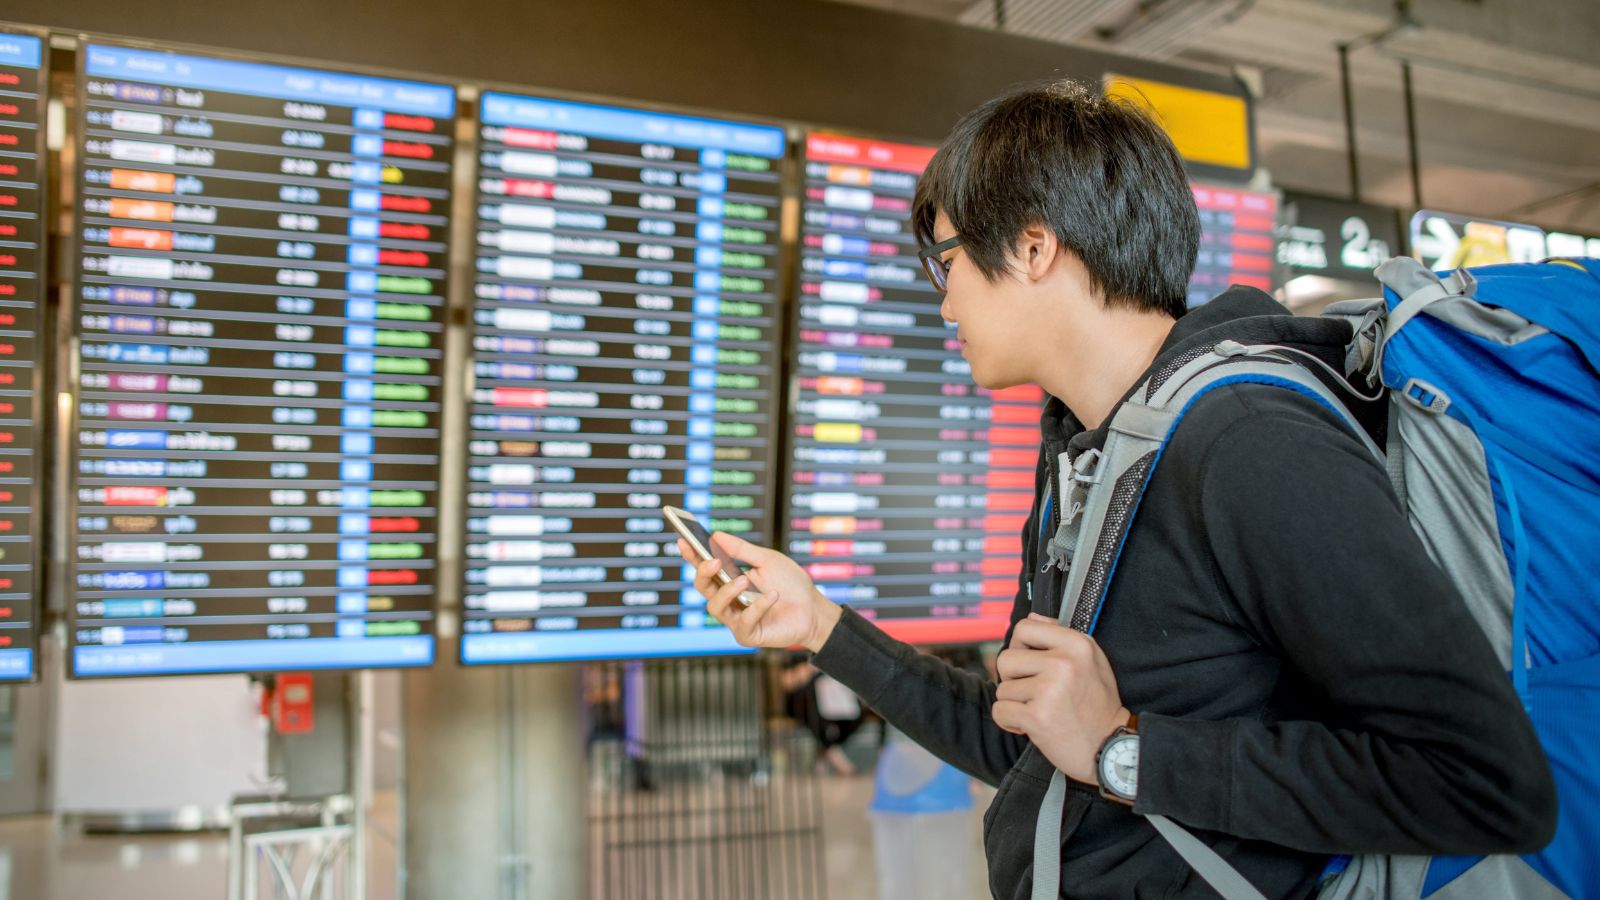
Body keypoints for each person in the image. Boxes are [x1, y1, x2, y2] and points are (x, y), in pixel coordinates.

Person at [679, 79, 1557, 898]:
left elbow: (1486, 783)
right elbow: (1026, 744)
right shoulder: (1091, 456)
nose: (944, 306)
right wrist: (821, 627)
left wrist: (1125, 750)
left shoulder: (1248, 442)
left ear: (1032, 245)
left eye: (946, 262)